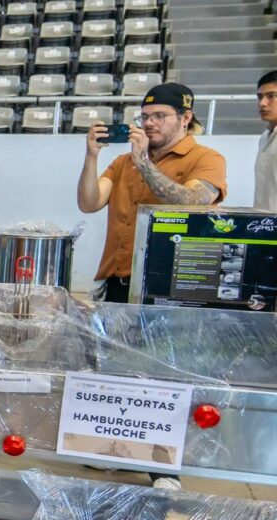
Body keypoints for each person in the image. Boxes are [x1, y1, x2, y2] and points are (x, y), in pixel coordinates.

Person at [76, 82, 227, 492]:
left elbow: (194, 204)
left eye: (160, 116)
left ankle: (164, 467)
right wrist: (91, 158)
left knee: (167, 376)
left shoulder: (206, 158)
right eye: (145, 117)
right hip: (119, 278)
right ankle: (113, 449)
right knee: (115, 371)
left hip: (171, 289)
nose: (150, 123)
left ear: (185, 117)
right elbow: (90, 202)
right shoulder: (123, 162)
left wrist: (144, 163)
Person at [255, 71, 277, 211]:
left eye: (271, 96)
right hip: (264, 226)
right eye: (260, 97)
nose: (262, 103)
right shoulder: (264, 137)